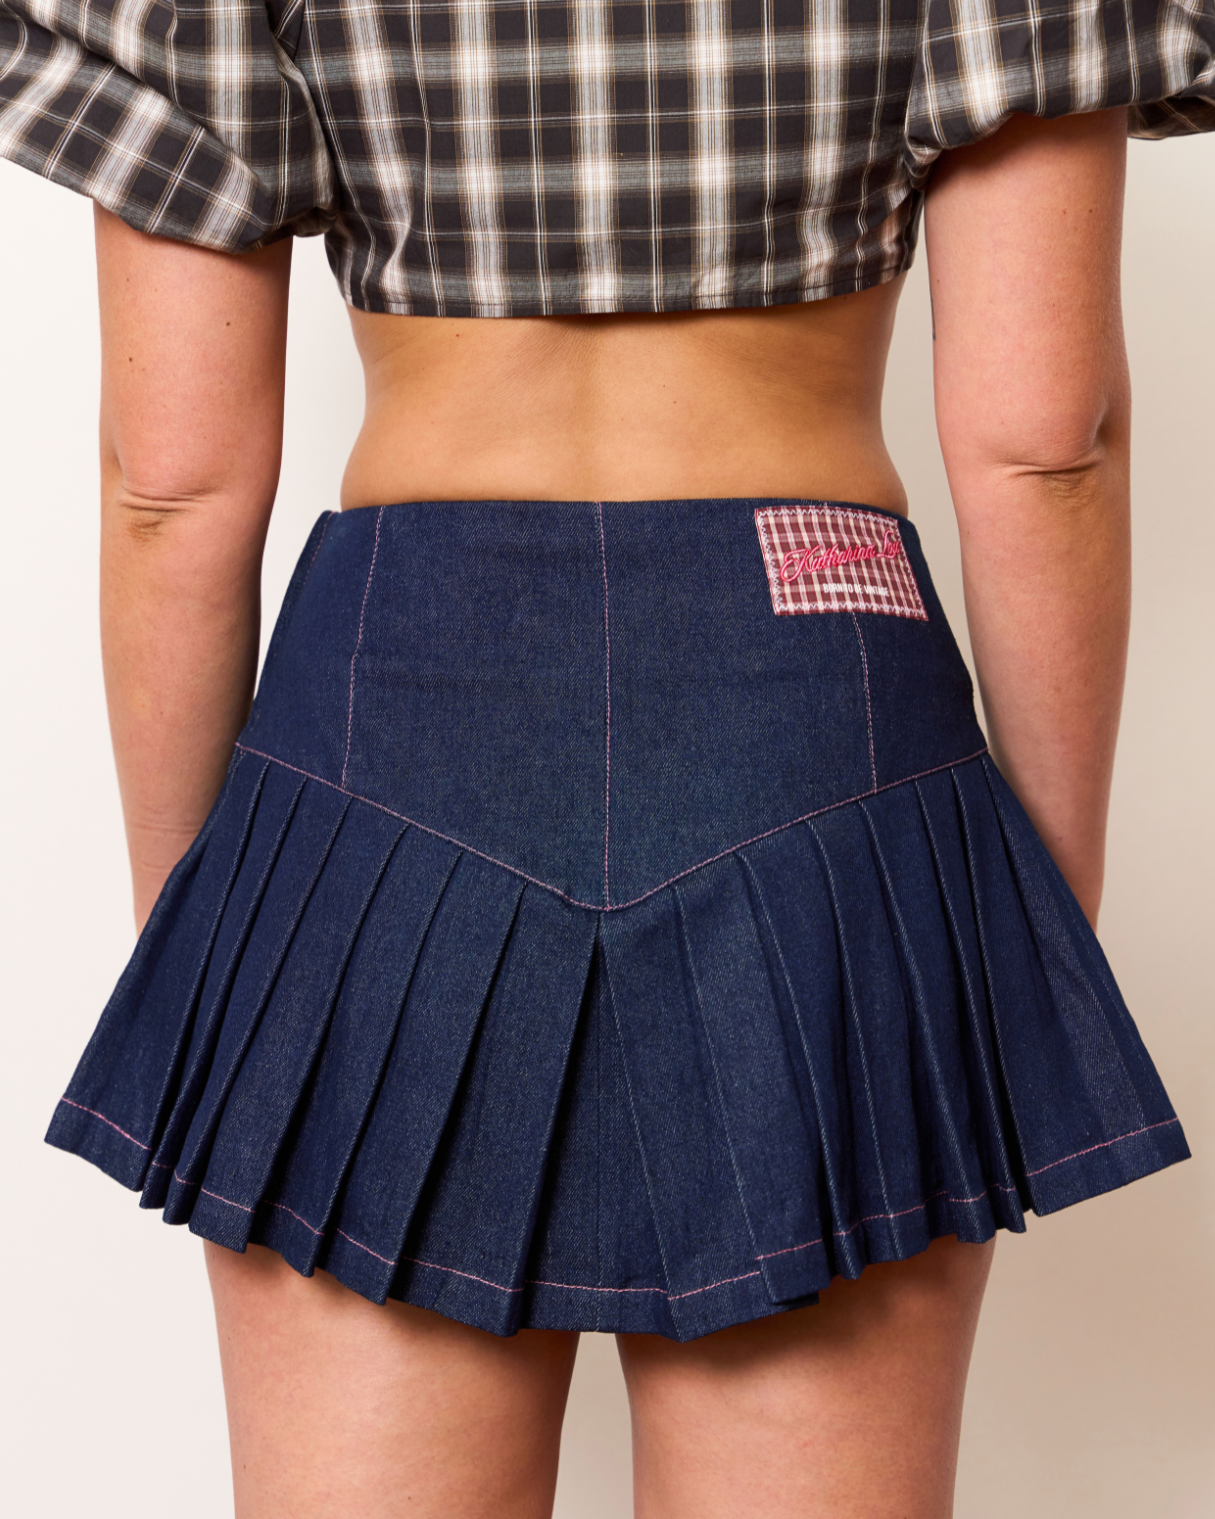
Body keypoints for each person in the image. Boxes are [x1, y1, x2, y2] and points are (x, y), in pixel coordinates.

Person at [3, 0, 1212, 1513]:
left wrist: (203, 928)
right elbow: (1044, 442)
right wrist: (1033, 914)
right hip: (816, 705)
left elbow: (169, 482)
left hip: (395, 719)